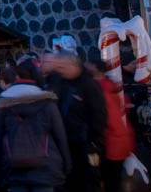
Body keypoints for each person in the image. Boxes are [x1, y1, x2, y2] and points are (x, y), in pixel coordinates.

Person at [0, 60, 70, 192]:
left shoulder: (4, 105)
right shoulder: (48, 103)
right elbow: (60, 136)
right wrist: (66, 162)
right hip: (45, 166)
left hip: (14, 165)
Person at [41, 42, 106, 191]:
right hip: (66, 142)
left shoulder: (89, 85)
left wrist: (92, 140)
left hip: (85, 144)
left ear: (73, 65)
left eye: (62, 67)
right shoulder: (60, 82)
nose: (60, 70)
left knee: (88, 181)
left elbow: (98, 115)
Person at [94, 62, 136, 192]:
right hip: (122, 141)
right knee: (114, 180)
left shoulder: (101, 91)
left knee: (110, 181)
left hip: (111, 142)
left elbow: (110, 119)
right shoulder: (115, 90)